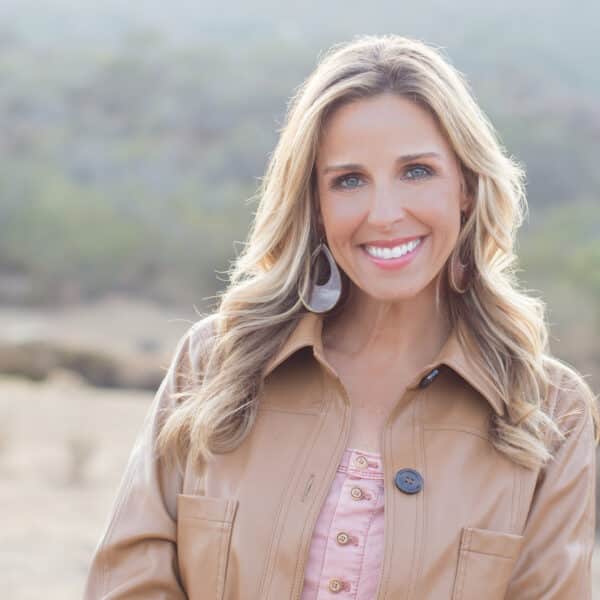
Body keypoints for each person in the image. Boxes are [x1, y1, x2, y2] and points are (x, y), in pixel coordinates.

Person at [83, 34, 600, 599]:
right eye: (349, 180)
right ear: (316, 204)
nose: (384, 213)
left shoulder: (552, 413)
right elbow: (130, 583)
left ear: (467, 188)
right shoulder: (214, 363)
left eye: (417, 171)